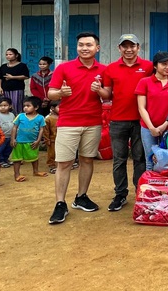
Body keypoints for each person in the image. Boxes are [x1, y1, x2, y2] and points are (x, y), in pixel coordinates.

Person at [47, 32, 106, 225]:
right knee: (64, 163)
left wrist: (100, 91)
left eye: (89, 45)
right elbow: (51, 94)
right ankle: (60, 203)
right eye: (81, 45)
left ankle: (81, 196)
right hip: (68, 121)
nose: (84, 48)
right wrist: (60, 93)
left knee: (87, 160)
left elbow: (108, 95)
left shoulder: (104, 70)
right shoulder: (64, 68)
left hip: (93, 121)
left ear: (97, 48)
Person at [97, 33, 153, 212]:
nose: (129, 50)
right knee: (119, 159)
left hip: (141, 120)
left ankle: (140, 192)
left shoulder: (148, 66)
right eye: (125, 46)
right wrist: (99, 90)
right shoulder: (110, 69)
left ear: (138, 47)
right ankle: (120, 194)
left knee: (140, 158)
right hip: (118, 120)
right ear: (119, 48)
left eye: (132, 46)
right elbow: (107, 94)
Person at [135, 51, 168, 171]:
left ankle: (167, 188)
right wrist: (151, 127)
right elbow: (141, 107)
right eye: (164, 64)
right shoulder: (144, 82)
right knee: (150, 159)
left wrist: (164, 126)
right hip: (147, 127)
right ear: (155, 66)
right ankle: (149, 188)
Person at [10, 96, 47, 182]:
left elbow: (42, 129)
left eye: (28, 106)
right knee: (17, 159)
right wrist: (13, 139)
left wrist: (38, 141)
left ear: (36, 107)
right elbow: (14, 127)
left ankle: (36, 171)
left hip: (32, 142)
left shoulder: (40, 117)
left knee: (34, 157)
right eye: (24, 106)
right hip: (19, 142)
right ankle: (17, 174)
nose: (25, 108)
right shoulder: (20, 116)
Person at [0, 48, 30, 114]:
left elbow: (26, 76)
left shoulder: (22, 65)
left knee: (16, 106)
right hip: (5, 89)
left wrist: (12, 77)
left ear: (16, 55)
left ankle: (16, 121)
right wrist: (0, 87)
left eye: (10, 54)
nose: (8, 56)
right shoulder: (3, 66)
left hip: (17, 89)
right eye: (7, 54)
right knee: (5, 106)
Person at [0, 97, 15, 169]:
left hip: (10, 136)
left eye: (5, 105)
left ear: (10, 106)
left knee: (9, 149)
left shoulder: (12, 115)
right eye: (0, 105)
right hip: (1, 136)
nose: (3, 107)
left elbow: (14, 125)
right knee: (0, 149)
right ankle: (1, 161)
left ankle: (6, 159)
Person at [43, 101, 59, 174]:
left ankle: (60, 165)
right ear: (52, 108)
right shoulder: (48, 119)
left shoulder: (63, 117)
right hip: (52, 140)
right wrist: (47, 140)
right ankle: (52, 166)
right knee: (51, 154)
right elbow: (45, 131)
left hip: (62, 139)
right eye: (59, 107)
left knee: (60, 153)